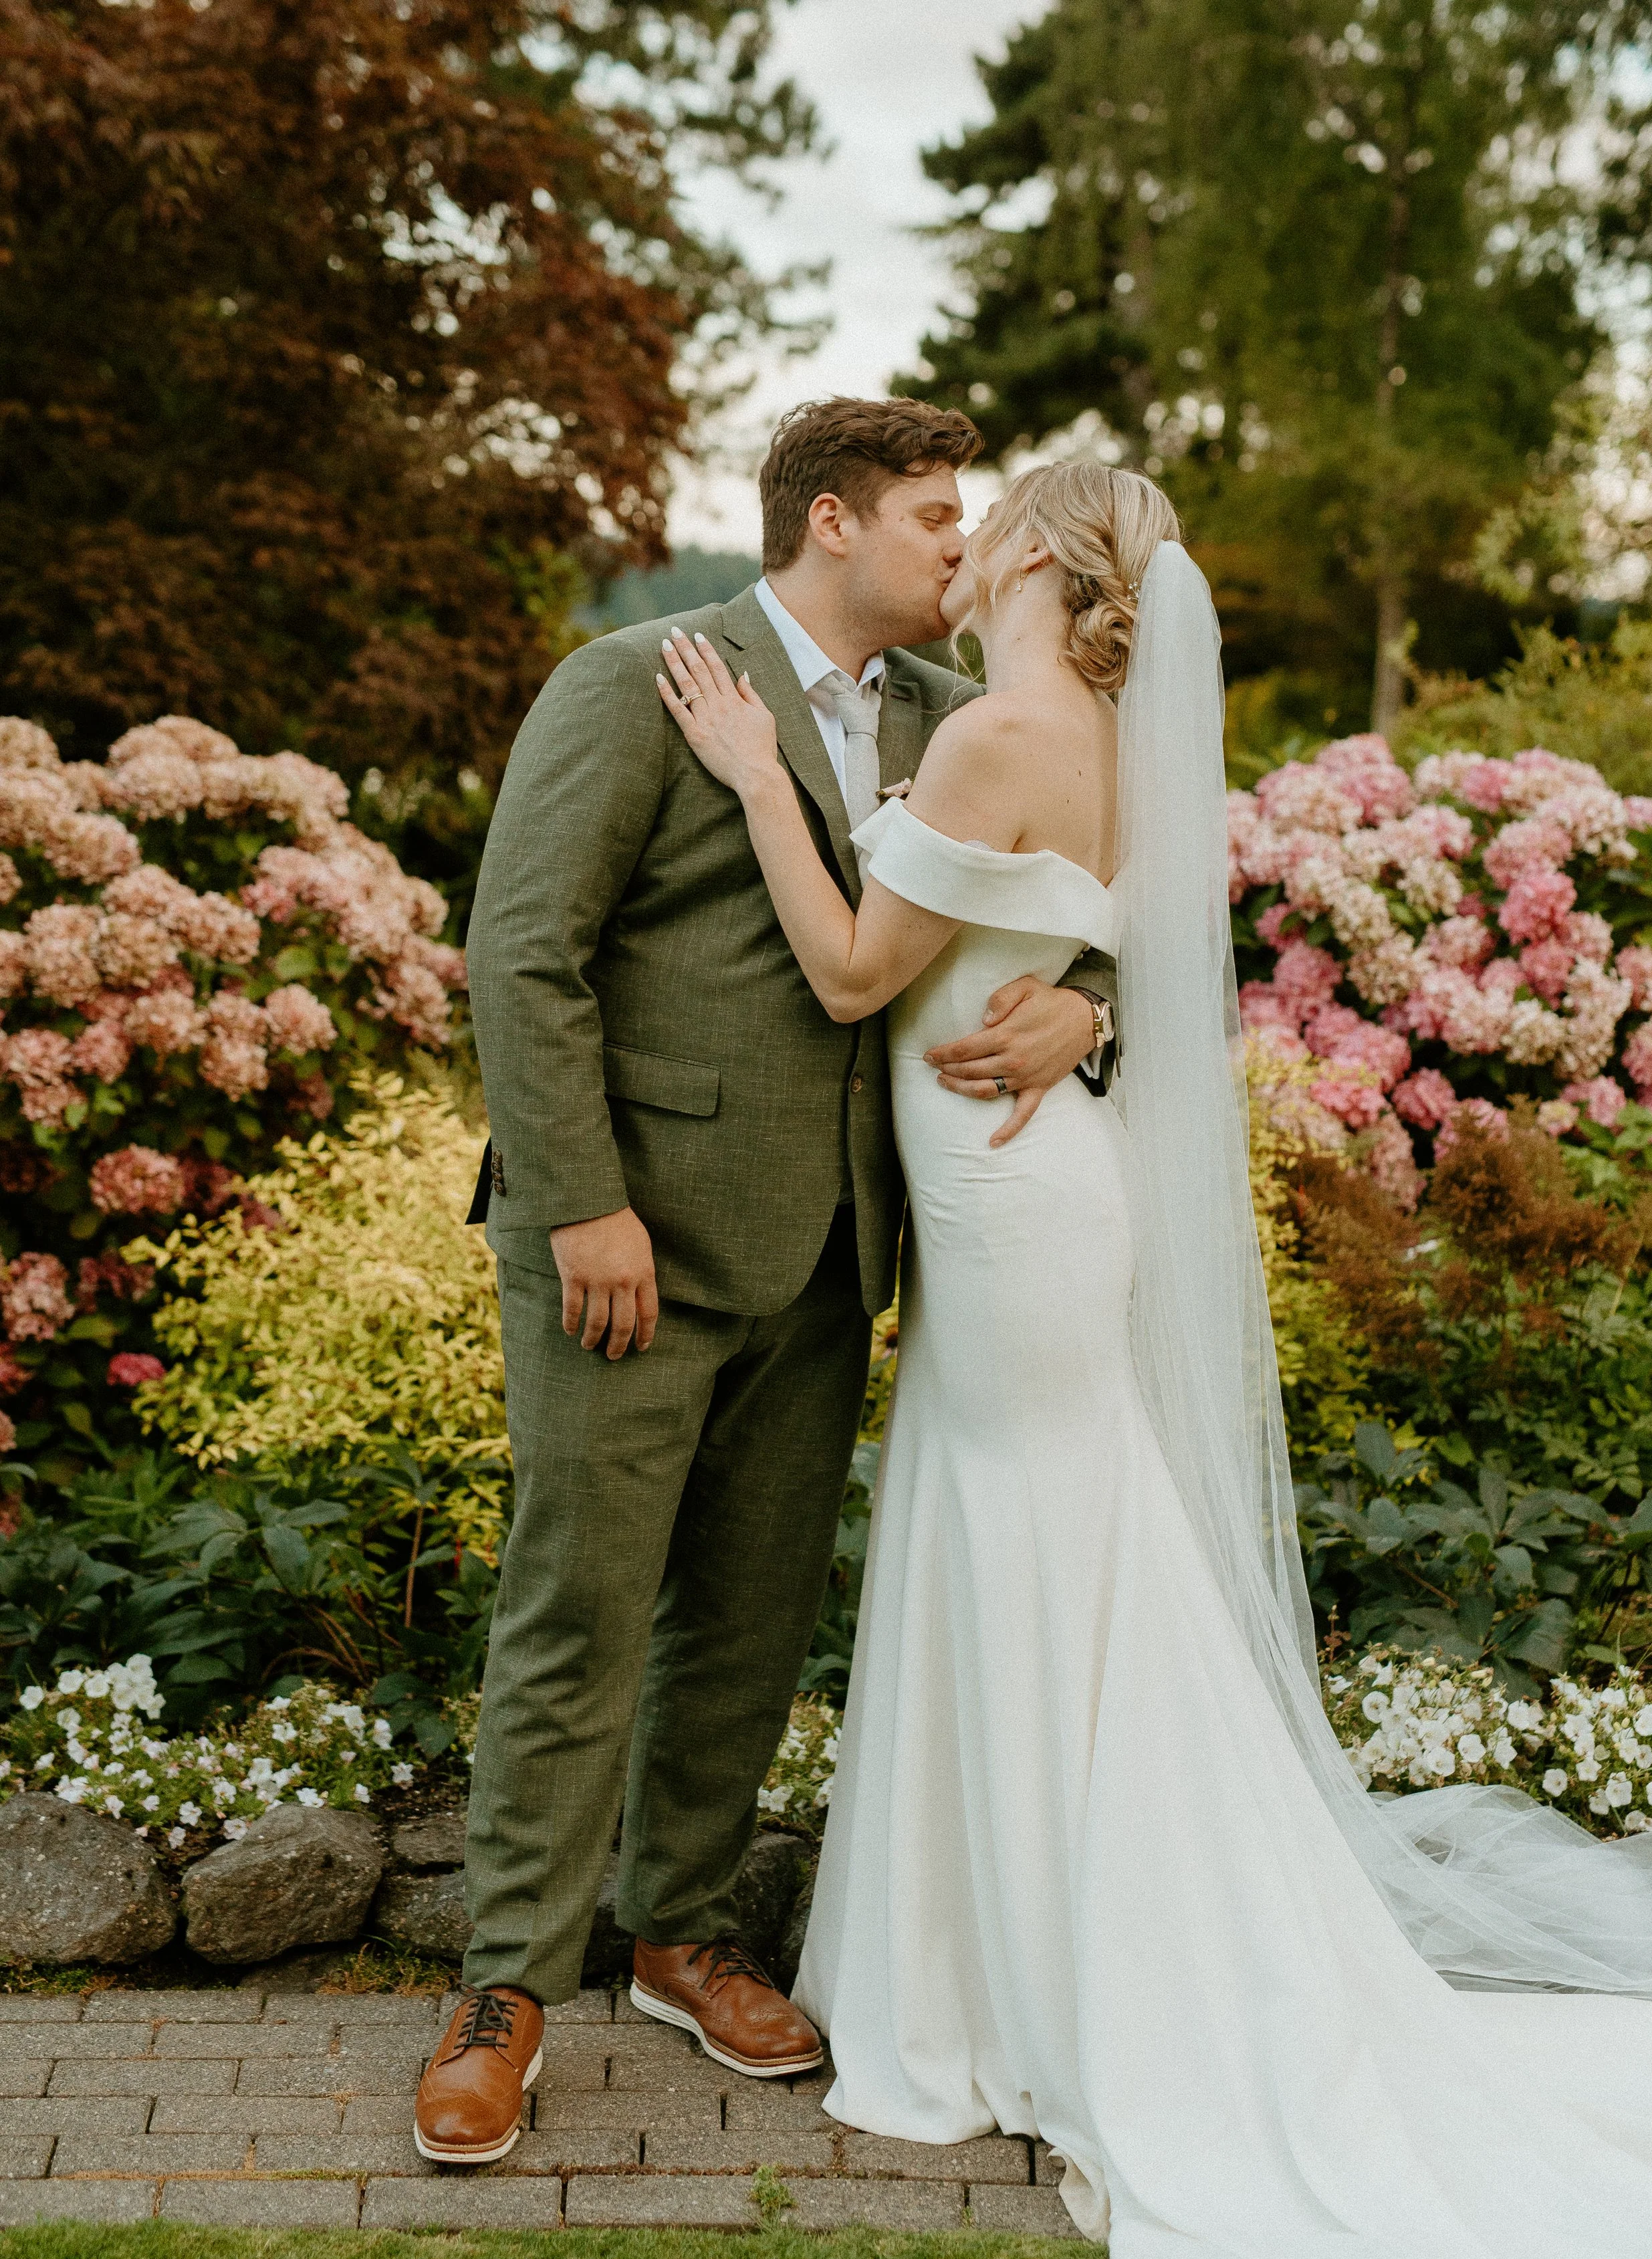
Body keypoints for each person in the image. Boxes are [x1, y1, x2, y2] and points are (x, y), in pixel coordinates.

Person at [657, 456, 1652, 2255]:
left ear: (1048, 554)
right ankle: (1000, 1971)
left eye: (991, 522)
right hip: (1035, 1191)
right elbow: (1075, 937)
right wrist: (1077, 996)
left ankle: (1062, 1986)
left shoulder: (993, 737)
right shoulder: (1092, 741)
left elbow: (843, 973)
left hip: (1005, 1204)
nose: (960, 547)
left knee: (1042, 1554)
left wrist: (756, 781)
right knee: (1035, 1545)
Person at [411, 398, 1120, 2165]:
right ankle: (504, 1988)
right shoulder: (634, 681)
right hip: (626, 1249)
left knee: (742, 1624)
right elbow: (524, 949)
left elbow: (1135, 904)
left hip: (841, 1255)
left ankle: (675, 1933)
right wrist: (579, 1200)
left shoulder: (955, 720)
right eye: (932, 517)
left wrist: (1088, 1008)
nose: (961, 548)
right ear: (826, 524)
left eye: (971, 520)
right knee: (579, 1609)